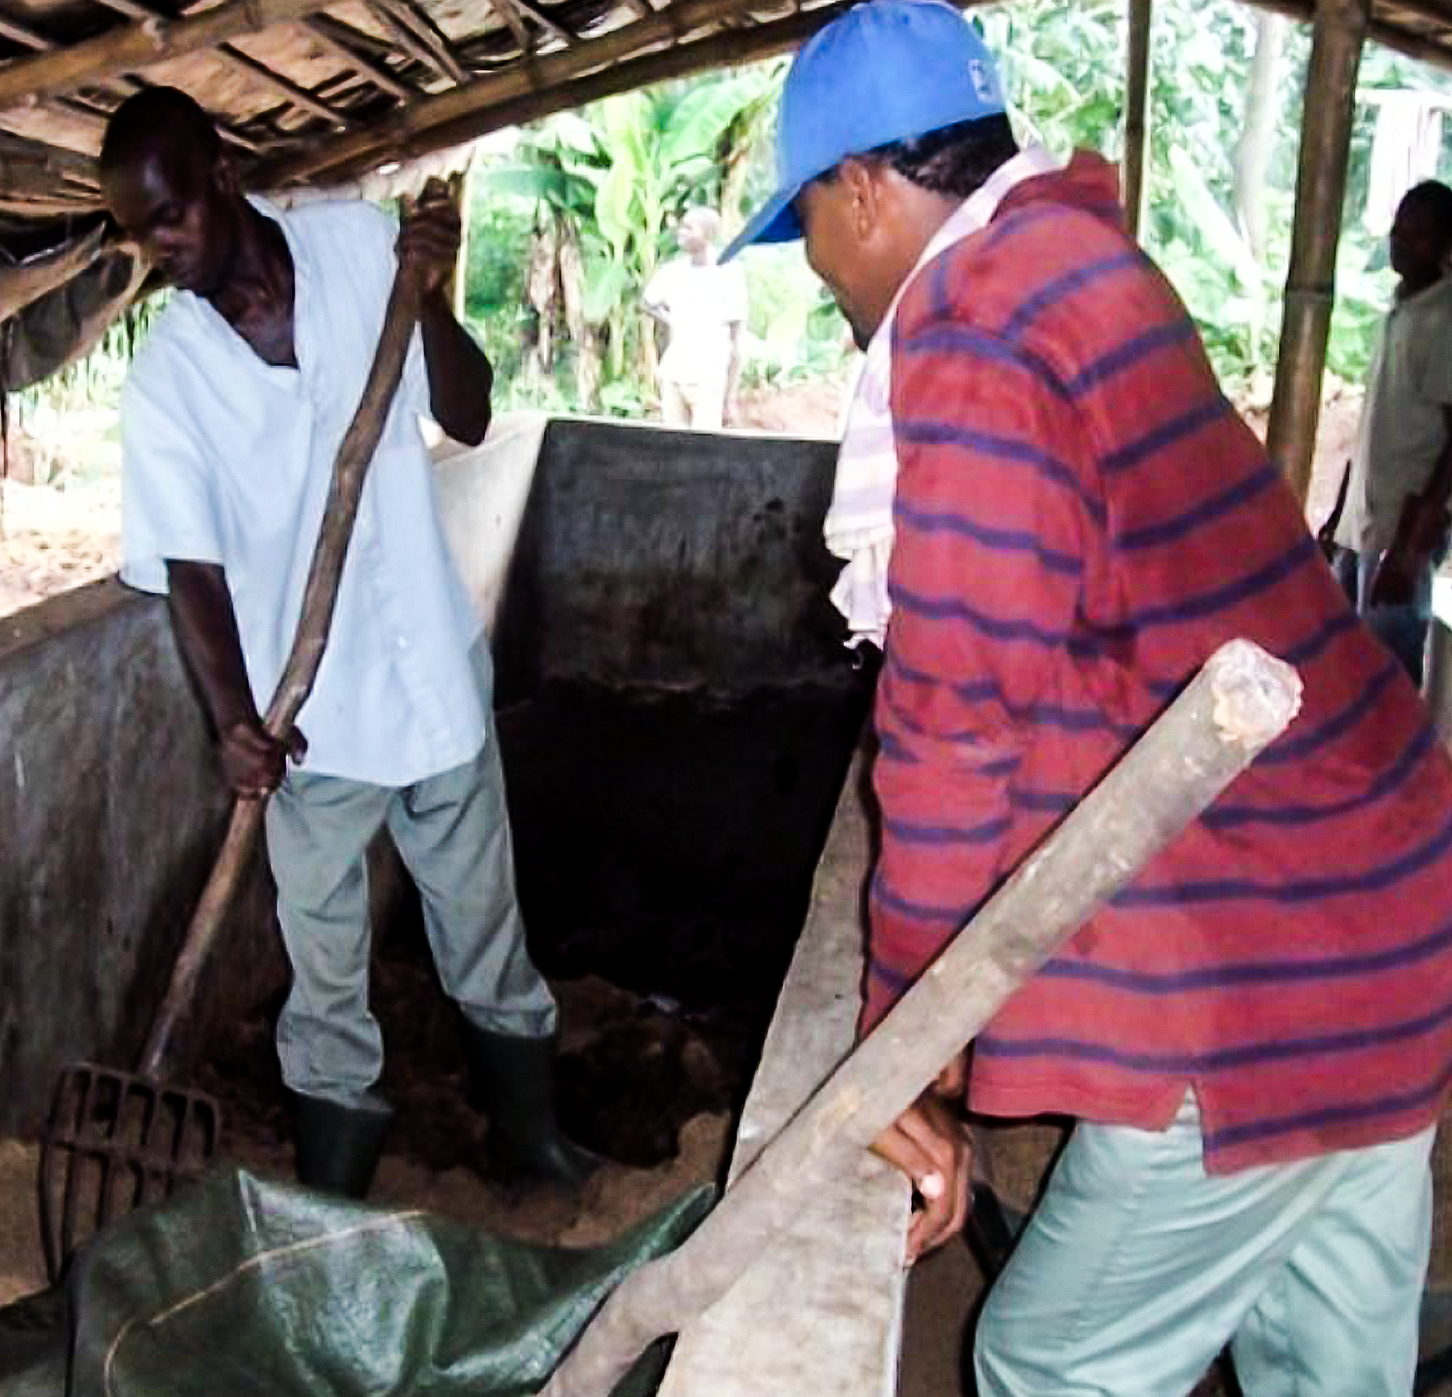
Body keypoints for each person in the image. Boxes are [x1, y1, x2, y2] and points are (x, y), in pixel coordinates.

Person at [724, 4, 1452, 1393]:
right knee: (1329, 1371)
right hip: (1385, 908)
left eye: (805, 223)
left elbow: (954, 722)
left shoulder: (981, 335)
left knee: (1051, 1360)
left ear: (861, 189)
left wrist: (902, 1046)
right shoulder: (1076, 267)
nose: (815, 270)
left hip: (1263, 966)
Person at [100, 87, 598, 1199]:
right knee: (325, 971)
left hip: (432, 664)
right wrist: (234, 719)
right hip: (308, 718)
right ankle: (328, 1201)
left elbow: (467, 413)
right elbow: (190, 567)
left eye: (169, 212)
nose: (159, 245)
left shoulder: (357, 247)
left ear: (221, 174)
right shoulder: (169, 377)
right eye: (138, 231)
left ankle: (530, 1137)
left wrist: (421, 300)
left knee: (482, 918)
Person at [1320, 179, 1452, 689]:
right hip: (1366, 521)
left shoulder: (1443, 319)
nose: (1403, 241)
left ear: (1446, 245)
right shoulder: (1401, 308)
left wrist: (1412, 546)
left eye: (1421, 235)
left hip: (1402, 528)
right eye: (1400, 229)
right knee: (1352, 667)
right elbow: (1376, 429)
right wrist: (1337, 516)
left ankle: (1397, 769)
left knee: (1387, 680)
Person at [642, 207, 747, 428]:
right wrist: (673, 320)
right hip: (673, 373)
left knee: (704, 449)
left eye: (689, 228)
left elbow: (737, 343)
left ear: (708, 235)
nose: (681, 232)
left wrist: (730, 397)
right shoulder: (673, 272)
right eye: (682, 226)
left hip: (707, 378)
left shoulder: (728, 275)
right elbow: (647, 303)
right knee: (674, 446)